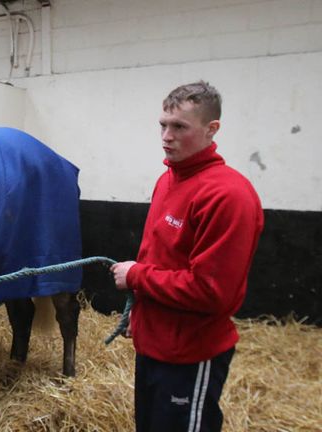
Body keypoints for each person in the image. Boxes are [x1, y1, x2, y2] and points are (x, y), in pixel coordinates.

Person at [110, 81, 264, 432]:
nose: (166, 137)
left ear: (212, 129)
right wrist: (141, 315)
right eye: (163, 125)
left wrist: (135, 277)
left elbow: (211, 291)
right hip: (154, 344)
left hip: (190, 353)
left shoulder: (227, 195)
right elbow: (160, 258)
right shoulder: (168, 180)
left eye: (179, 127)